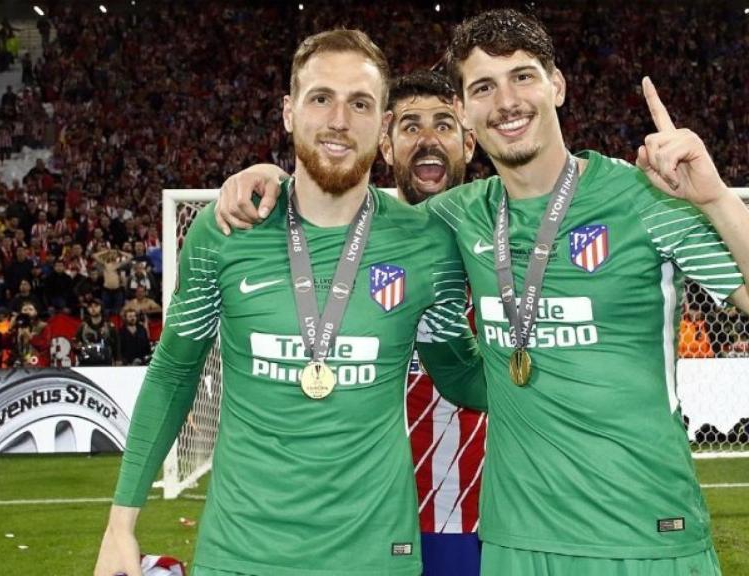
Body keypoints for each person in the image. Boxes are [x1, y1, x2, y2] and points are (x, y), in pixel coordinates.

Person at [218, 10, 749, 575]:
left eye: (522, 77)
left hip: (646, 534)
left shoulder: (645, 199)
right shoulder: (461, 217)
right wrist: (273, 177)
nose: (506, 102)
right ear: (465, 109)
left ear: (557, 85)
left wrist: (718, 198)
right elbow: (347, 212)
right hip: (514, 544)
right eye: (483, 87)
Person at [95, 29, 485, 576]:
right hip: (241, 553)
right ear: (288, 111)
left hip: (376, 556)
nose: (339, 121)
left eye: (360, 104)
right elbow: (172, 374)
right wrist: (120, 526)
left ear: (383, 125)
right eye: (320, 98)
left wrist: (569, 345)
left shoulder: (426, 244)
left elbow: (462, 376)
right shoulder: (225, 229)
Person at [216, 70, 483, 575]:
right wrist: (266, 176)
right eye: (409, 127)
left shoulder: (506, 234)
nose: (428, 140)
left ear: (470, 142)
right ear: (384, 144)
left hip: (493, 510)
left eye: (444, 125)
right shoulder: (345, 239)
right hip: (371, 519)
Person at [75, 298, 117, 366]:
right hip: (86, 362)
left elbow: (116, 344)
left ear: (101, 307)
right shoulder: (83, 326)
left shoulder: (109, 325)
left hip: (105, 361)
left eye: (96, 306)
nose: (93, 309)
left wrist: (118, 359)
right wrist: (77, 345)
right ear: (88, 309)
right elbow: (75, 341)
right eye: (90, 306)